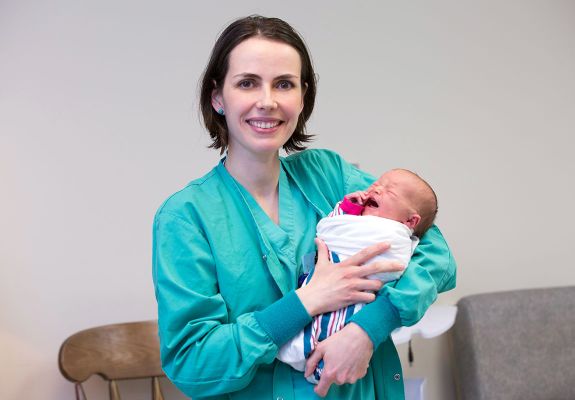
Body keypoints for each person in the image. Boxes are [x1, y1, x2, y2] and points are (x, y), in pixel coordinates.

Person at [152, 15, 456, 399]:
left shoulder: (329, 176)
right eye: (247, 83)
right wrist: (305, 301)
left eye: (284, 84)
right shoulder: (186, 217)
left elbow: (435, 251)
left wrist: (369, 328)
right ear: (218, 98)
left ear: (302, 96)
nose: (267, 101)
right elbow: (193, 363)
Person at [277, 168, 439, 383]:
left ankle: (320, 359)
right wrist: (348, 207)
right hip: (321, 280)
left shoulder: (395, 235)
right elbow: (332, 228)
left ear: (410, 221)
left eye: (390, 192)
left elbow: (403, 264)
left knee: (337, 320)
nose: (377, 189)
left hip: (359, 291)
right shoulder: (356, 219)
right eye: (376, 185)